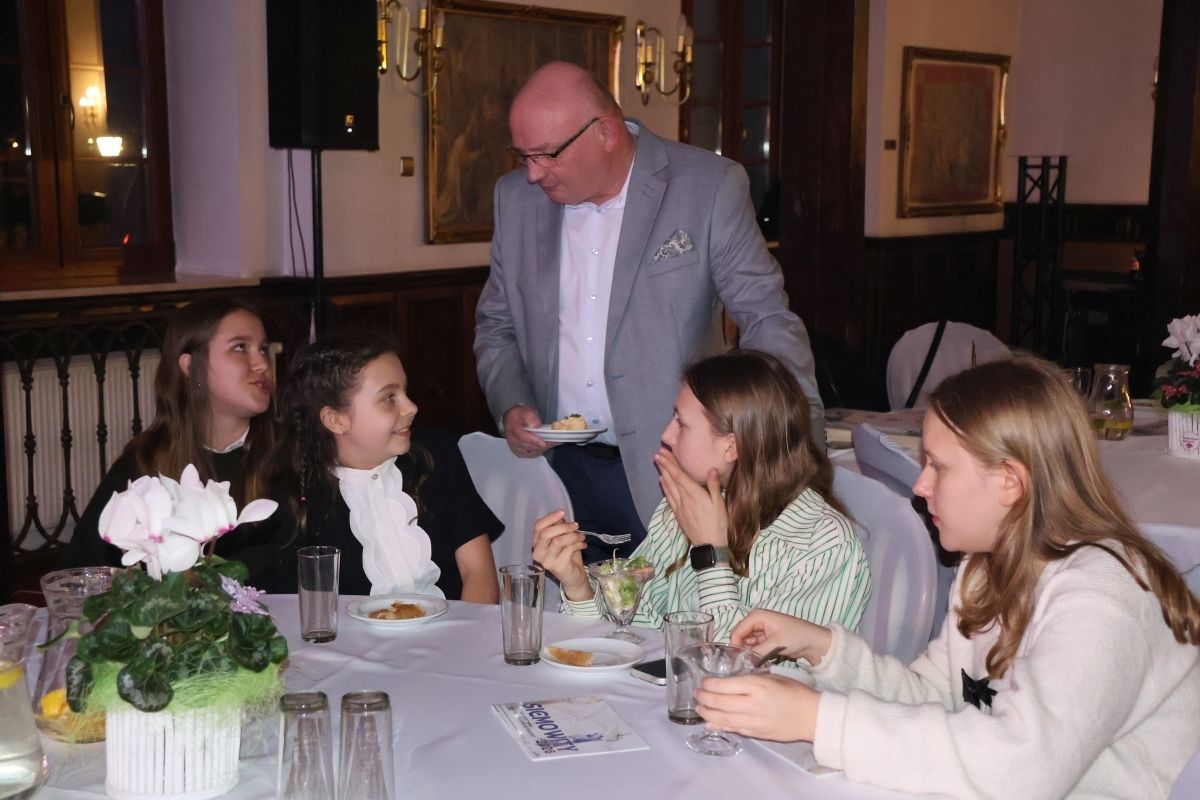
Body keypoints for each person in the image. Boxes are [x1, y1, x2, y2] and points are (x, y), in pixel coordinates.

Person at [694, 356, 1200, 798]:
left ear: (1009, 482)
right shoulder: (985, 566)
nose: (919, 485)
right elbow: (935, 697)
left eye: (939, 466)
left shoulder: (1103, 596)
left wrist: (817, 720)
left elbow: (1021, 769)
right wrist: (822, 647)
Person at [475, 61, 824, 561]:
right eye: (522, 155)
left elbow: (767, 319)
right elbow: (496, 326)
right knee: (572, 612)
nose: (532, 173)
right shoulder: (515, 200)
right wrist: (511, 403)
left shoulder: (706, 187)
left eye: (546, 154)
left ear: (605, 132)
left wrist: (795, 446)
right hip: (558, 477)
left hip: (674, 473)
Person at [531, 351, 869, 643]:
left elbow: (749, 671)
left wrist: (711, 553)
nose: (666, 435)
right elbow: (633, 628)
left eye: (682, 423)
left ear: (731, 446)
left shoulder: (821, 543)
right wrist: (578, 585)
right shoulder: (687, 507)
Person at [264, 339, 501, 603]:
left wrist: (466, 629)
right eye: (389, 398)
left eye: (405, 391)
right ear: (335, 420)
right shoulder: (296, 500)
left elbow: (479, 575)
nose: (411, 407)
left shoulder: (436, 456)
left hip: (458, 625)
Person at [62, 298, 277, 573]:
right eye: (240, 347)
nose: (261, 363)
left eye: (263, 349)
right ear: (190, 366)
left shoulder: (293, 454)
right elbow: (83, 569)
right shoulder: (147, 460)